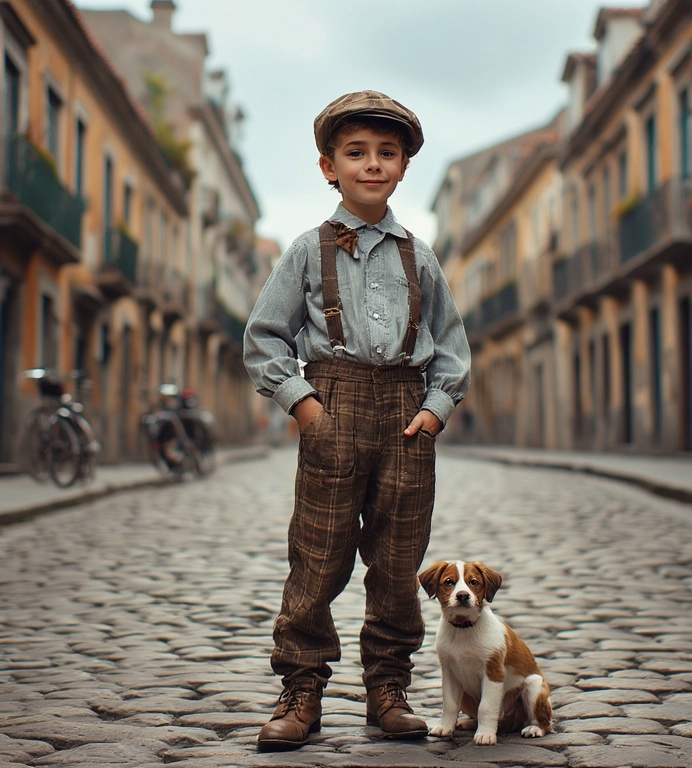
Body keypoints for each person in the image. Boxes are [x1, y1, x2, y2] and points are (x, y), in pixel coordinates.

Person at [243, 90, 471, 751]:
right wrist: (305, 405)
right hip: (333, 404)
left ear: (402, 168)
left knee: (400, 561)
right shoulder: (307, 252)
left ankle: (388, 687)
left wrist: (433, 412)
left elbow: (450, 345)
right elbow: (264, 336)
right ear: (328, 167)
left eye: (387, 154)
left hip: (407, 412)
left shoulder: (420, 255)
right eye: (356, 153)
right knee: (317, 555)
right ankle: (302, 686)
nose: (372, 164)